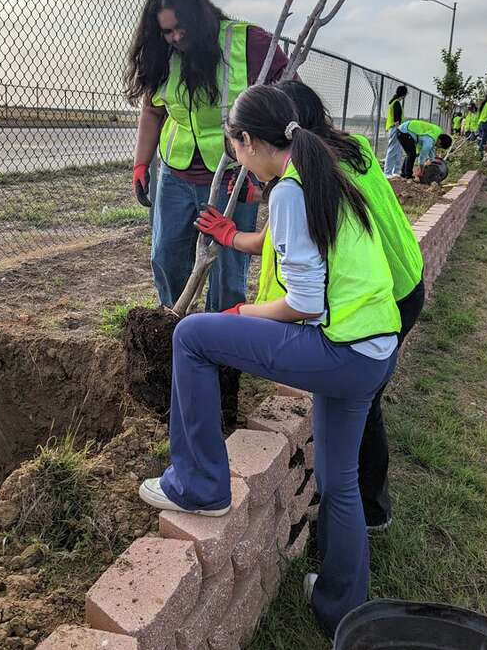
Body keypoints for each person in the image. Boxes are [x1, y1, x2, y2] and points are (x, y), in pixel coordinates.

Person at [138, 85, 401, 639]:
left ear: (247, 140)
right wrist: (236, 242)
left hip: (342, 348)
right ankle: (341, 607)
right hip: (375, 347)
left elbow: (304, 302)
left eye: (234, 146)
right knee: (339, 481)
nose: (234, 157)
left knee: (192, 336)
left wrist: (242, 311)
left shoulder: (288, 191)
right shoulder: (323, 174)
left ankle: (199, 485)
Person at [275, 80, 424, 531]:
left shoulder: (314, 173)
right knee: (363, 401)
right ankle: (362, 505)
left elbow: (293, 262)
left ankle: (369, 511)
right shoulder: (354, 147)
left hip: (382, 301)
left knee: (361, 403)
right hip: (406, 284)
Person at [124, 0, 289, 312]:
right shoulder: (162, 54)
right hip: (176, 176)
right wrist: (141, 163)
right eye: (167, 31)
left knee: (228, 269)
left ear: (202, 14)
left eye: (181, 27)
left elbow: (289, 102)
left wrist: (268, 178)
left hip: (234, 176)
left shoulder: (250, 44)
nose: (176, 36)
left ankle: (221, 340)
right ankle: (175, 326)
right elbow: (152, 111)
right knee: (166, 254)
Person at [383, 85, 408, 178]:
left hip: (396, 128)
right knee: (392, 150)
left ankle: (395, 171)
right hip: (395, 128)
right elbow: (396, 119)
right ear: (404, 94)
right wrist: (399, 130)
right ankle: (387, 172)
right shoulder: (396, 103)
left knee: (398, 150)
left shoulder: (395, 102)